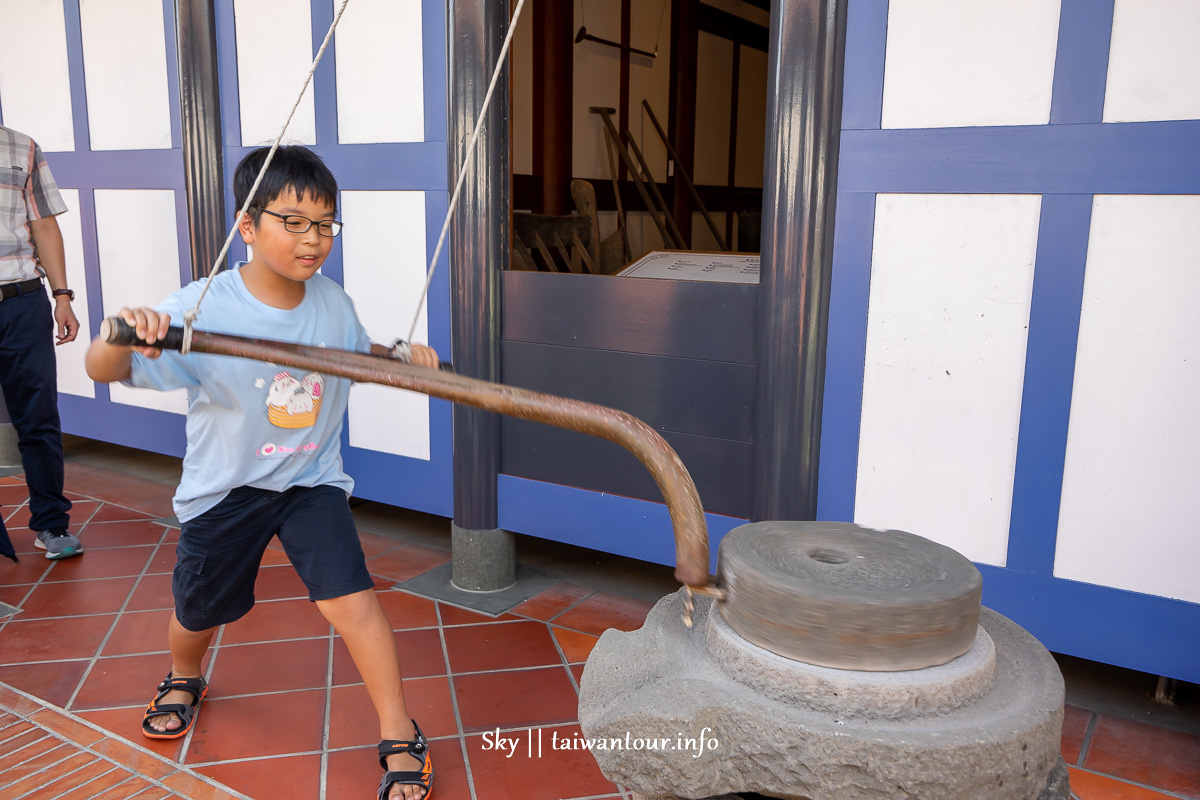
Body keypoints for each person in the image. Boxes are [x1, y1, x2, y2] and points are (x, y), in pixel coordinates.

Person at [85, 146, 435, 800]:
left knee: (354, 603)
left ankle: (397, 729)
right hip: (226, 489)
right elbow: (102, 369)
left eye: (326, 224)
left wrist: (404, 360)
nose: (314, 239)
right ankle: (185, 674)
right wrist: (121, 330)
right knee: (198, 610)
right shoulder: (201, 307)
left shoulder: (332, 304)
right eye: (294, 222)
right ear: (248, 227)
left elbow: (362, 356)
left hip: (309, 483)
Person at [0, 124, 81, 561]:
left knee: (39, 417)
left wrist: (62, 296)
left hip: (21, 302)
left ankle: (51, 523)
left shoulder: (21, 147)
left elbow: (44, 225)